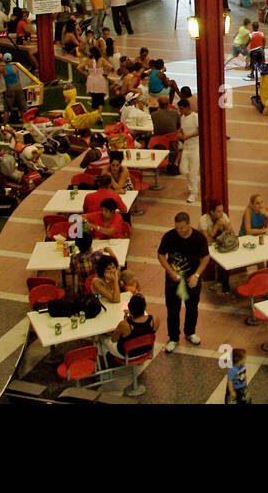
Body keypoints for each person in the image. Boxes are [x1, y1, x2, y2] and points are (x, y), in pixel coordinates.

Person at [157, 212, 209, 352]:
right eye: (177, 228)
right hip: (173, 281)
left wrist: (197, 275)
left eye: (182, 228)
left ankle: (190, 332)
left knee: (192, 308)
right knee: (173, 309)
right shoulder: (169, 236)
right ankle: (173, 337)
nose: (179, 231)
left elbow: (205, 258)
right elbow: (161, 255)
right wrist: (170, 271)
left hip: (192, 279)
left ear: (188, 224)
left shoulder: (198, 238)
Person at [109, 295, 159, 361]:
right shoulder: (154, 319)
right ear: (145, 307)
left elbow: (113, 340)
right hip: (146, 350)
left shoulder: (124, 325)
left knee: (104, 339)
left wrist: (127, 315)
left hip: (126, 354)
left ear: (130, 309)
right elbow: (152, 331)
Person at [176, 98, 201, 204]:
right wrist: (179, 134)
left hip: (195, 147)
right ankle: (194, 182)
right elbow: (181, 129)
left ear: (187, 107)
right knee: (183, 169)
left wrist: (187, 136)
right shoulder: (182, 117)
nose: (180, 111)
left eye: (181, 109)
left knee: (193, 172)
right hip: (186, 147)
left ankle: (194, 193)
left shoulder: (195, 117)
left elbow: (200, 130)